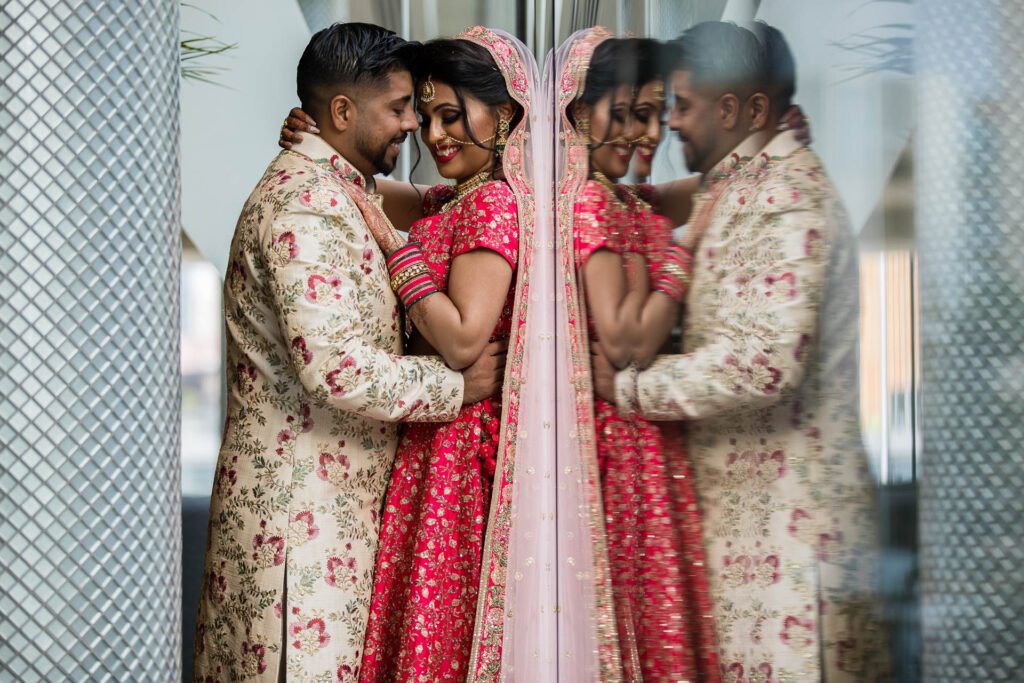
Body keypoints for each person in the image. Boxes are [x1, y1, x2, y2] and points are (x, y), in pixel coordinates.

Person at [192, 23, 504, 682]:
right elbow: (334, 366)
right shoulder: (306, 204)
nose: (414, 127)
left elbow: (431, 207)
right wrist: (458, 387)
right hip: (298, 534)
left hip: (334, 521)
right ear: (342, 112)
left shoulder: (344, 189)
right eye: (399, 109)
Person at [595, 21, 887, 681]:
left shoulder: (786, 194)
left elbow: (764, 362)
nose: (670, 124)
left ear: (744, 110)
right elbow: (631, 202)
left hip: (790, 545)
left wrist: (629, 389)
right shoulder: (740, 183)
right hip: (751, 543)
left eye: (685, 106)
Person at [280, 26, 538, 682]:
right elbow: (374, 193)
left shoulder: (494, 205)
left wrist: (400, 254)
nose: (432, 134)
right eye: (423, 117)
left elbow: (459, 340)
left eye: (451, 116)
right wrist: (317, 145)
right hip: (431, 438)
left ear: (504, 115)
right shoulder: (456, 200)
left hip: (458, 444)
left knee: (440, 629)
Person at [556, 31, 719, 682]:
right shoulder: (592, 199)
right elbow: (624, 340)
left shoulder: (627, 199)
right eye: (626, 115)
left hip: (643, 443)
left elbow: (697, 187)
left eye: (655, 113)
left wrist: (763, 142)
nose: (647, 133)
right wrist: (685, 251)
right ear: (579, 115)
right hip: (617, 451)